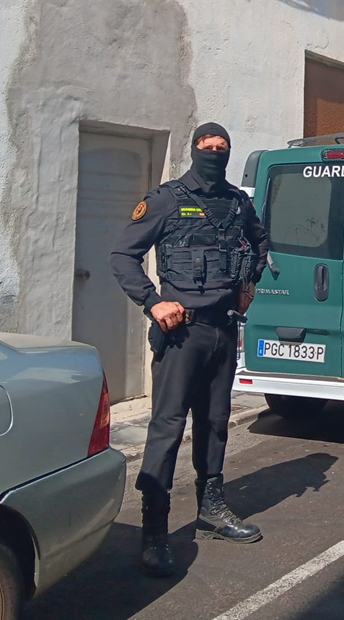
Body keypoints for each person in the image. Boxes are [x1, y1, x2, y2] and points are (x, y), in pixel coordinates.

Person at [110, 123, 269, 577]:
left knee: (216, 424)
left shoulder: (238, 202)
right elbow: (123, 255)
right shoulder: (166, 199)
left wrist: (248, 284)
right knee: (167, 429)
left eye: (223, 148)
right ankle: (154, 531)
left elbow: (260, 242)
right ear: (195, 149)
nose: (215, 153)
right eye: (208, 147)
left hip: (223, 330)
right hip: (182, 335)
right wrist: (152, 301)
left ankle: (212, 510)